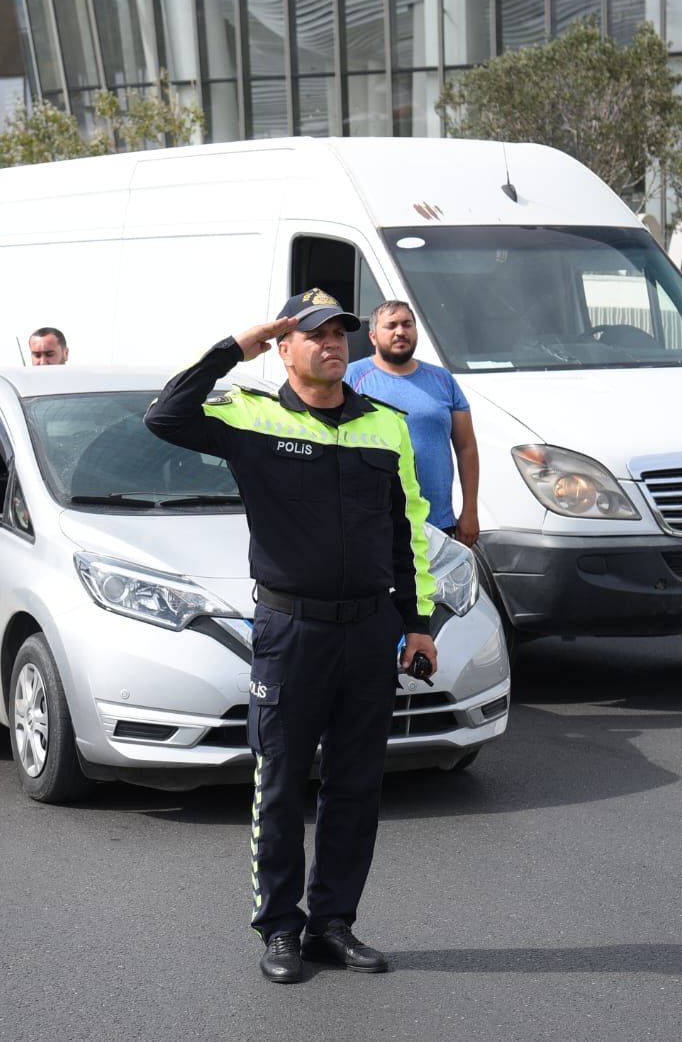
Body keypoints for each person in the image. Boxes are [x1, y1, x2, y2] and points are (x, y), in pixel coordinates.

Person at [145, 288, 437, 984]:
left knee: (356, 786)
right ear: (284, 347)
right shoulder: (250, 414)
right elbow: (165, 415)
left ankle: (333, 924)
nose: (333, 343)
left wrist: (418, 623)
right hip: (291, 628)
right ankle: (280, 928)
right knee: (278, 785)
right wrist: (232, 348)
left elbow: (408, 530)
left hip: (370, 631)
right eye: (314, 334)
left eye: (341, 332)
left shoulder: (384, 425)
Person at [346, 301, 480, 545]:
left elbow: (467, 448)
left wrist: (470, 510)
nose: (400, 332)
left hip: (437, 524)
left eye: (407, 324)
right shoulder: (351, 378)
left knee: (435, 585)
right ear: (373, 336)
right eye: (391, 325)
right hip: (373, 523)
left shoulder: (443, 379)